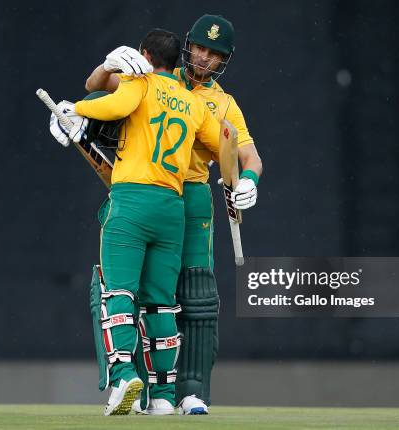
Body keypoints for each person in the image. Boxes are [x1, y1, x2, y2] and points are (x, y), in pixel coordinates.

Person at [85, 14, 263, 415]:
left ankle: (187, 391)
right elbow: (100, 86)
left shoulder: (223, 102)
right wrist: (106, 66)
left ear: (223, 61)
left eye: (213, 54)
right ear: (187, 47)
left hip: (189, 196)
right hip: (153, 189)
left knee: (192, 296)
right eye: (199, 48)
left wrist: (248, 180)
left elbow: (248, 155)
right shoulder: (155, 75)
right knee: (133, 291)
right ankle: (141, 389)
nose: (203, 58)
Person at [50, 28, 222, 416]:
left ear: (144, 54)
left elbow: (110, 107)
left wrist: (74, 110)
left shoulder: (138, 84)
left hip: (132, 202)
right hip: (172, 208)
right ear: (176, 60)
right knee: (162, 305)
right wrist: (234, 175)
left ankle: (125, 375)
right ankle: (163, 397)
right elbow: (217, 144)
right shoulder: (192, 102)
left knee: (119, 294)